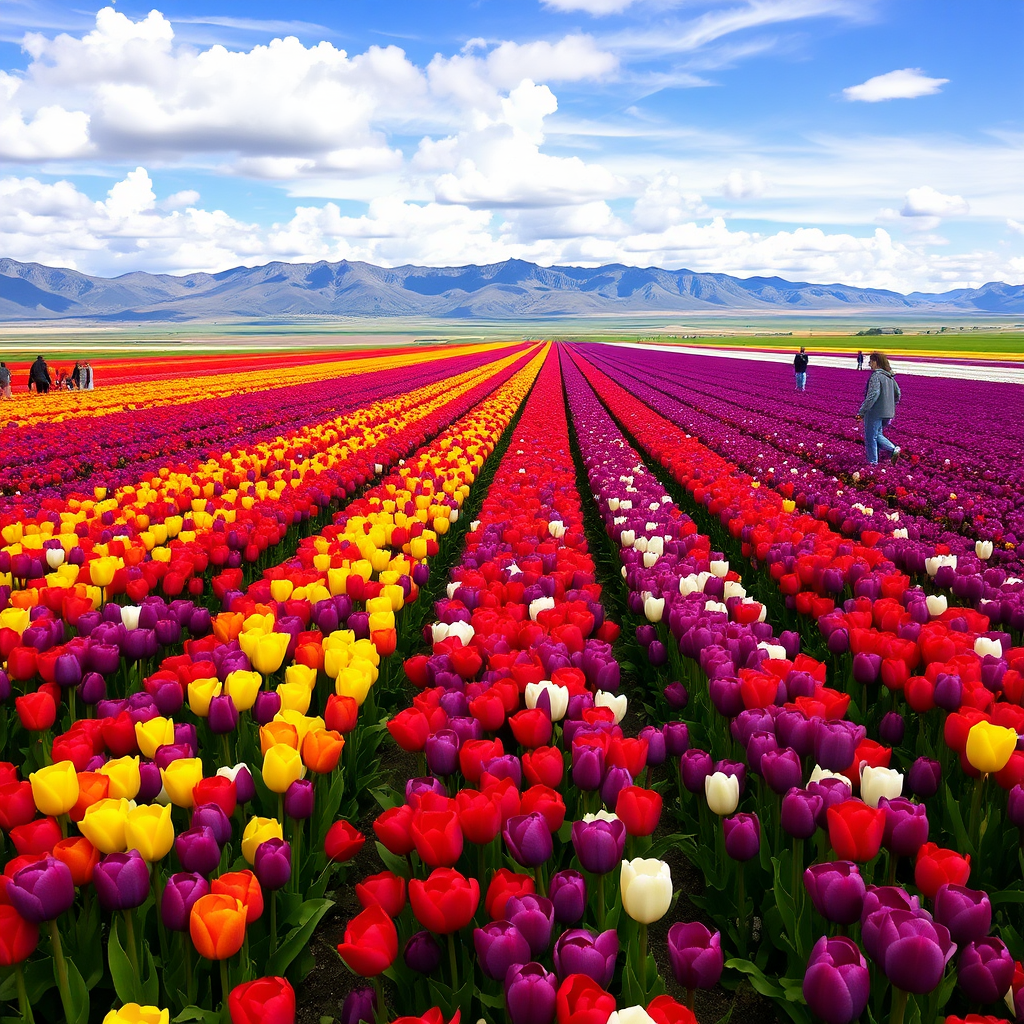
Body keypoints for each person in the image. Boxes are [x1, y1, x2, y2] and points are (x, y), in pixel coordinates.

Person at [857, 351, 902, 465]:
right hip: (888, 412)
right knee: (877, 435)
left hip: (875, 411)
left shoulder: (876, 376)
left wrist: (862, 411)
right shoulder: (890, 377)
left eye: (871, 361)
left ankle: (874, 462)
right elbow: (898, 394)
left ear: (876, 362)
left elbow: (873, 395)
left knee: (870, 437)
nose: (869, 364)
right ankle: (890, 451)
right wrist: (891, 404)